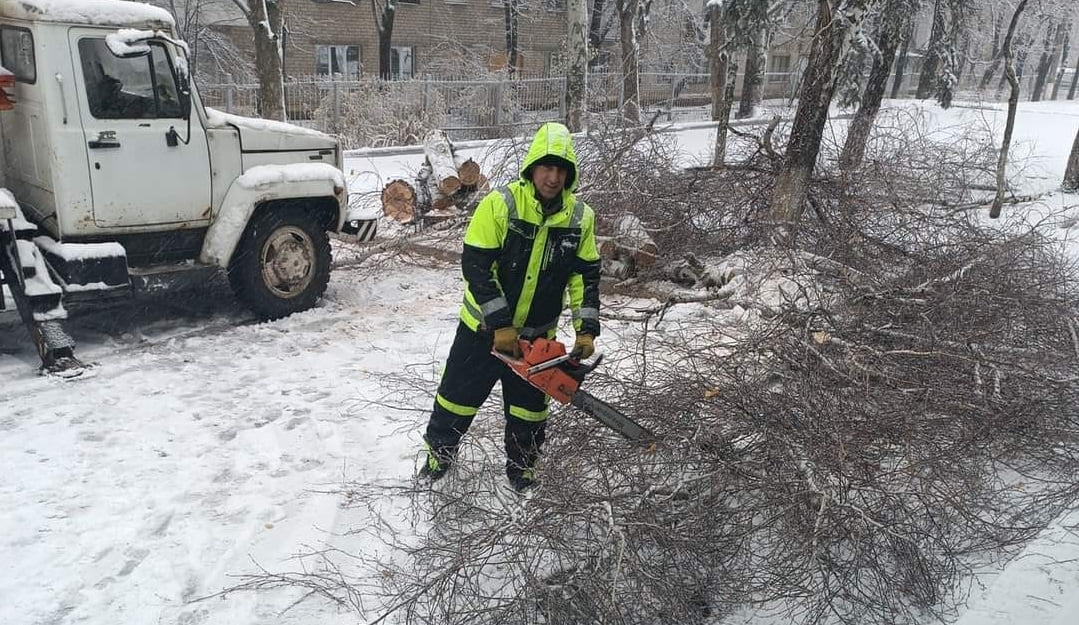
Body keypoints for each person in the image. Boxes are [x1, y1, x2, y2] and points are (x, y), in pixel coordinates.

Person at [418, 122, 602, 492]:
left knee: (529, 413)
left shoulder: (580, 218)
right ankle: (439, 455)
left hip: (537, 340)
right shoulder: (500, 205)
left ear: (569, 173)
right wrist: (500, 322)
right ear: (533, 167)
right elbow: (477, 267)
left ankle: (523, 469)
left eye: (560, 169)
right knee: (456, 399)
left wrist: (586, 330)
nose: (552, 177)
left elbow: (584, 278)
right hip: (482, 335)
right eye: (546, 168)